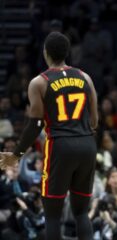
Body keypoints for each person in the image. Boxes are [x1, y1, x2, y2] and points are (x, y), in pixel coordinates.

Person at [0, 31, 98, 240]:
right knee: (81, 212)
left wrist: (16, 155)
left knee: (52, 215)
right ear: (67, 53)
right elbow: (95, 120)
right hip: (87, 144)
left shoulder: (39, 82)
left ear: (46, 53)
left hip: (60, 147)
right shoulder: (85, 78)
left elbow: (35, 124)